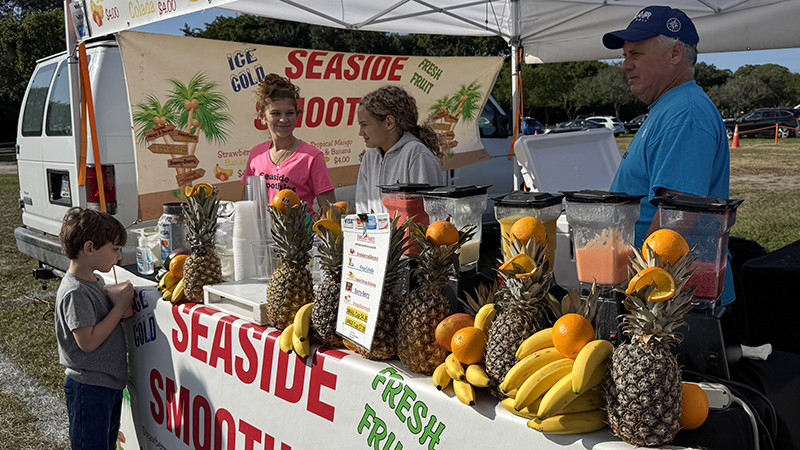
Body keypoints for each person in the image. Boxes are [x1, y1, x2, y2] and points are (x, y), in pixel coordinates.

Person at [603, 5, 735, 307]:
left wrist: (640, 294)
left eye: (636, 54)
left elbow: (676, 219)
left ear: (675, 53)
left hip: (673, 300)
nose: (625, 65)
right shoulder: (670, 107)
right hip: (665, 291)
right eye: (625, 55)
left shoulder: (684, 114)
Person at [54, 207, 136, 449]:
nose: (119, 257)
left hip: (107, 383)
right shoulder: (75, 291)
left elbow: (99, 324)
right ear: (90, 248)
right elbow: (87, 342)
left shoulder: (95, 281)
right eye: (115, 249)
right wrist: (118, 308)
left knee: (106, 444)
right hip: (89, 387)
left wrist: (116, 311)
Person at [242, 73, 335, 214]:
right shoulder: (256, 155)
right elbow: (245, 203)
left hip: (301, 235)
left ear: (297, 114)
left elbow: (329, 209)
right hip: (262, 235)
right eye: (276, 113)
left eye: (289, 113)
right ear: (262, 116)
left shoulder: (311, 157)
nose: (283, 119)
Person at [355, 85, 446, 213]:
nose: (360, 132)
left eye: (364, 125)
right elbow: (362, 208)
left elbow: (428, 213)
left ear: (389, 123)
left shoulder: (417, 154)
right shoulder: (369, 157)